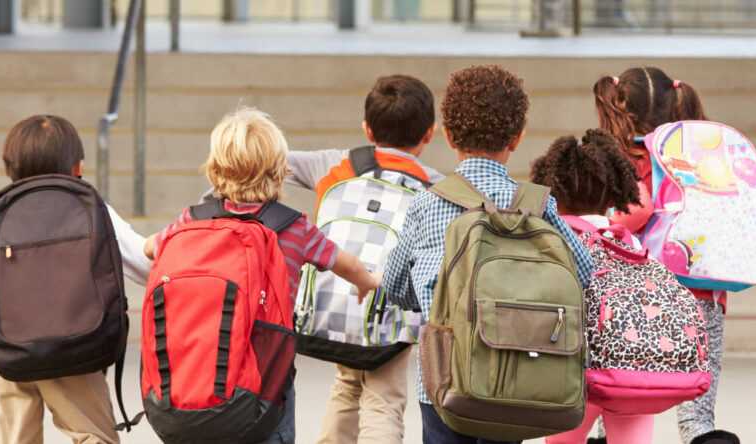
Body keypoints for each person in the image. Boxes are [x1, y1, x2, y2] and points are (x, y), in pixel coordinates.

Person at [381, 64, 596, 444]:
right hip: (516, 379)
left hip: (443, 383)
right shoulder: (536, 205)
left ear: (448, 134)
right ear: (517, 137)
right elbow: (583, 270)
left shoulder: (427, 205)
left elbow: (396, 287)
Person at [144, 106, 383, 444]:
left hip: (194, 379)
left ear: (214, 168)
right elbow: (347, 265)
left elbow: (150, 248)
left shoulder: (192, 219)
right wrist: (369, 282)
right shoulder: (294, 228)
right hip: (264, 387)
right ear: (279, 170)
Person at [275, 74, 443, 444]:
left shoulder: (333, 165)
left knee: (348, 386)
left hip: (335, 310)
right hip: (389, 317)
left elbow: (266, 158)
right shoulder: (435, 187)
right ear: (430, 133)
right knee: (384, 400)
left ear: (367, 129)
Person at [0, 115, 152, 444]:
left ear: (9, 167)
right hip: (72, 345)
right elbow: (146, 268)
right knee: (94, 437)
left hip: (5, 350)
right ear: (78, 166)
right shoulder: (88, 207)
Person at [593, 67, 737, 444]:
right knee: (697, 415)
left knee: (625, 395)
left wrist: (604, 219)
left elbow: (636, 209)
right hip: (703, 289)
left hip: (639, 298)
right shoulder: (700, 156)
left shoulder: (638, 160)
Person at [530, 130, 654, 444]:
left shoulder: (550, 241)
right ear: (612, 195)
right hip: (629, 373)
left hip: (572, 376)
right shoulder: (629, 242)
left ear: (552, 192)